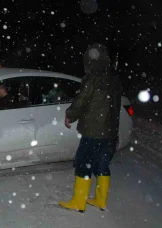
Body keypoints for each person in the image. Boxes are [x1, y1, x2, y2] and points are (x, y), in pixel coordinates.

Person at [58, 43, 122, 213]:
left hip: (93, 131)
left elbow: (81, 101)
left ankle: (79, 202)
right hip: (110, 132)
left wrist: (70, 114)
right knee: (102, 165)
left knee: (83, 163)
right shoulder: (114, 79)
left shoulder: (92, 78)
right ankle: (100, 200)